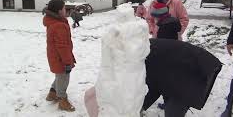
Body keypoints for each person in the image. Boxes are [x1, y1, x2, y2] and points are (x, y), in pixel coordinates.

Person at [84, 38, 222, 117]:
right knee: (171, 103)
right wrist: (141, 107)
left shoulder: (142, 56)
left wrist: (139, 107)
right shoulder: (140, 54)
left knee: (174, 111)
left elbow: (154, 85)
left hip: (194, 69)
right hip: (177, 70)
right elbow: (156, 85)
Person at [43, 0, 76, 112]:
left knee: (59, 75)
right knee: (63, 77)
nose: (65, 10)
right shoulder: (58, 25)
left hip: (54, 56)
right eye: (63, 8)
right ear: (58, 11)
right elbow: (63, 47)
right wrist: (67, 62)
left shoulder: (53, 21)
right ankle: (62, 99)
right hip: (60, 58)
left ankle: (52, 93)